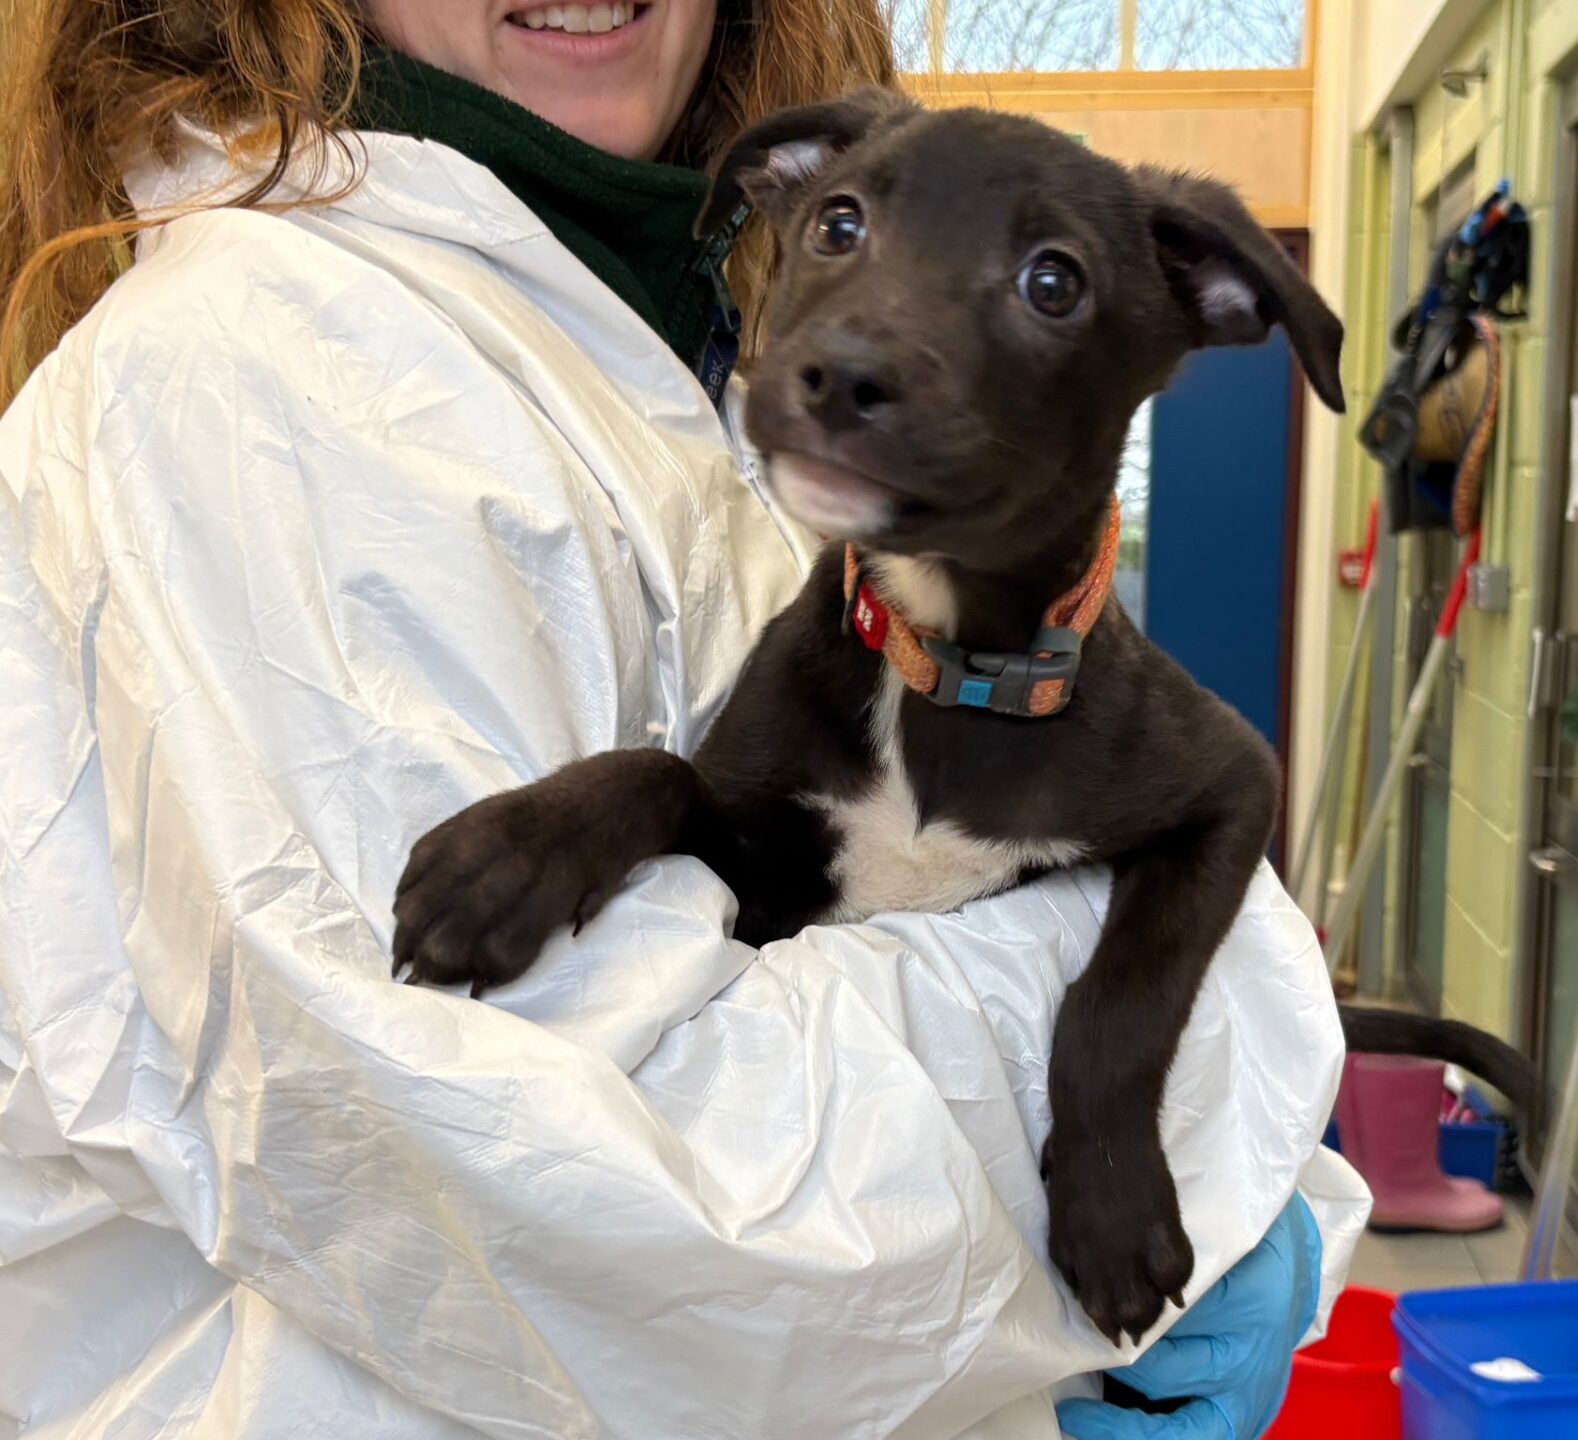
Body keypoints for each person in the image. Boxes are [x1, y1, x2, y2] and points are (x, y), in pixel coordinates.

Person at [0, 3, 1365, 1436]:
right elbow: (603, 1191)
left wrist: (1237, 1166)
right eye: (845, 230)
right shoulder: (253, 378)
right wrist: (1207, 1089)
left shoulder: (670, 330)